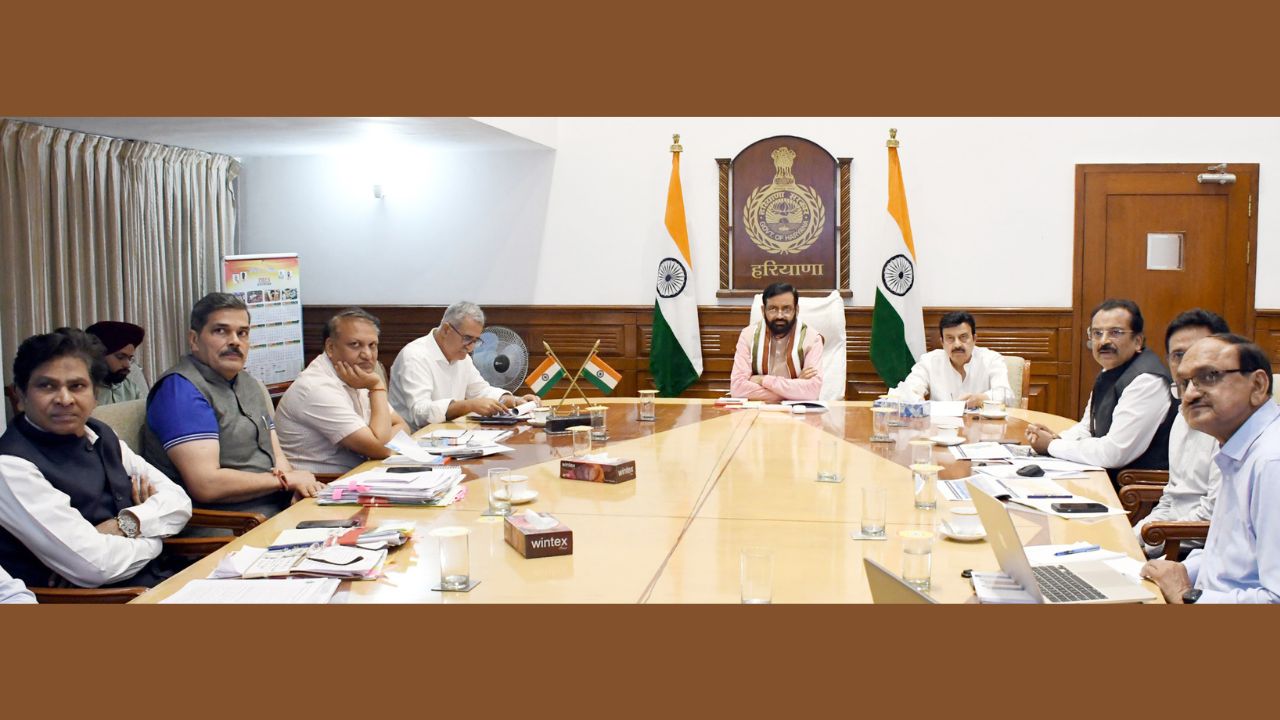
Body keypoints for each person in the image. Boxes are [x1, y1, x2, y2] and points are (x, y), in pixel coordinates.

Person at [0, 329, 191, 589]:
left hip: (160, 579)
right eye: (47, 386)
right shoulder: (11, 465)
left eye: (76, 386)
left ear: (95, 395)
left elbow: (179, 502)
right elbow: (96, 566)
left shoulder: (99, 434)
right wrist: (157, 538)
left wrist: (128, 523)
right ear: (21, 397)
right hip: (101, 601)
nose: (64, 399)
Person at [141, 293, 321, 520]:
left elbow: (278, 457)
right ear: (194, 340)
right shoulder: (181, 391)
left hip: (277, 510)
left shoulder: (249, 383)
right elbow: (206, 485)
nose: (235, 341)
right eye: (221, 331)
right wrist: (283, 481)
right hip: (227, 524)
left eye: (242, 333)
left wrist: (294, 485)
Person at [1142, 334, 1279, 603]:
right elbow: (1233, 555)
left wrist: (1187, 596)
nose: (1190, 394)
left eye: (1209, 376)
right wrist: (1184, 570)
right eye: (1184, 383)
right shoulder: (1236, 445)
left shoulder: (1272, 462)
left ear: (1258, 385)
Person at [1025, 299, 1176, 482]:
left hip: (1134, 488)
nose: (1104, 341)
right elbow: (1088, 428)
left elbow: (1114, 453)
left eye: (1115, 333)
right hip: (1105, 477)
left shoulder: (1147, 381)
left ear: (1138, 341)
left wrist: (1051, 445)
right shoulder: (1111, 370)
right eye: (1097, 333)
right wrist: (1056, 438)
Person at [1134, 309, 1230, 558]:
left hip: (1195, 550)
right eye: (1178, 355)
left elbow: (1213, 515)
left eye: (1199, 352)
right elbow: (1171, 497)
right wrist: (1134, 539)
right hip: (1166, 539)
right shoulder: (1182, 414)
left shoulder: (1229, 425)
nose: (1188, 364)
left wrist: (1151, 543)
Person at [276, 308, 410, 474]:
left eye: (372, 345)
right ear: (330, 347)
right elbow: (380, 448)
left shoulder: (356, 375)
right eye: (355, 345)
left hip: (358, 474)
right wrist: (377, 387)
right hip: (322, 483)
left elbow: (402, 426)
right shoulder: (316, 387)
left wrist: (384, 444)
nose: (367, 355)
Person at [389, 301, 539, 430]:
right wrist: (469, 406)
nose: (471, 348)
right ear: (446, 329)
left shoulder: (462, 357)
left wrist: (514, 401)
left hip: (448, 436)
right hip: (413, 442)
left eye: (476, 341)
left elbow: (481, 391)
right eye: (467, 338)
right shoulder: (414, 356)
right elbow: (420, 413)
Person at [887, 311, 1013, 409]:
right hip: (940, 430)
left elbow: (1007, 396)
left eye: (963, 337)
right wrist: (916, 399)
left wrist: (981, 398)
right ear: (942, 342)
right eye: (950, 338)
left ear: (974, 339)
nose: (957, 344)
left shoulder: (992, 359)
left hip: (982, 429)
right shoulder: (929, 361)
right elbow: (905, 392)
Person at [729, 282, 824, 402]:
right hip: (758, 410)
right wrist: (795, 389)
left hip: (797, 411)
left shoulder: (812, 339)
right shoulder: (748, 336)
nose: (780, 316)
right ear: (763, 310)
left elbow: (812, 392)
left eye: (786, 309)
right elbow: (737, 389)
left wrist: (762, 380)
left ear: (797, 310)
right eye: (773, 309)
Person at [85, 320, 147, 404]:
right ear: (99, 355)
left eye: (130, 359)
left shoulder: (130, 388)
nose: (127, 365)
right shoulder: (83, 390)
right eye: (120, 357)